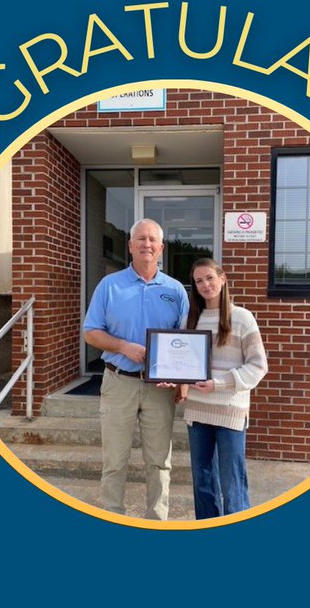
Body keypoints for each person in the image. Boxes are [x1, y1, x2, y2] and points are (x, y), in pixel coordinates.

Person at [82, 218, 189, 520]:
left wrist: (182, 380)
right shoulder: (109, 285)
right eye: (140, 239)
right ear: (129, 246)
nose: (146, 244)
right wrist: (123, 346)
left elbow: (183, 340)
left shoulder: (175, 290)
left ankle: (157, 520)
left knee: (159, 462)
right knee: (114, 460)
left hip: (159, 390)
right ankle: (113, 516)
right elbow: (90, 332)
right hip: (119, 383)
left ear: (161, 248)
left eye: (152, 239)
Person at [177, 257, 268, 519]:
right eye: (198, 281)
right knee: (202, 480)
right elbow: (180, 364)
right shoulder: (189, 321)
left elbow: (258, 366)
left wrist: (219, 384)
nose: (205, 284)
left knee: (232, 481)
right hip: (197, 411)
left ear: (222, 278)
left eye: (209, 278)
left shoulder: (242, 318)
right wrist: (173, 379)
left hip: (229, 410)